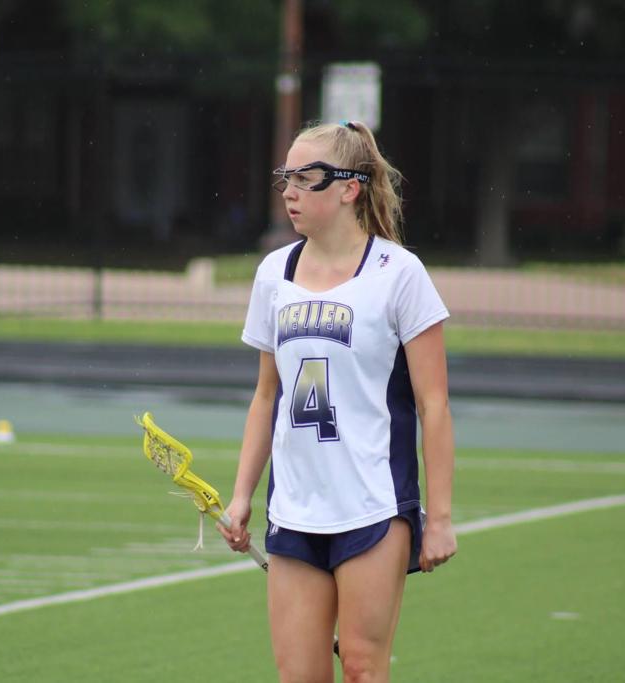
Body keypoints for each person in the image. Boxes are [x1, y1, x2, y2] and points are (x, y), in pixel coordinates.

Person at [219, 120, 456, 682]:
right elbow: (266, 396)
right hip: (294, 508)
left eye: (307, 178)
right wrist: (241, 496)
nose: (290, 191)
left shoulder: (399, 274)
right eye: (286, 177)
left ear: (350, 187)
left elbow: (435, 405)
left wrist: (440, 518)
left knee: (361, 669)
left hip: (373, 506)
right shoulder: (274, 273)